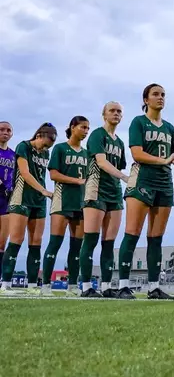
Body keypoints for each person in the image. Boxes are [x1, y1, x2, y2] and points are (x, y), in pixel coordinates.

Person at [117, 84, 174, 300]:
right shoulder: (138, 122)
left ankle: (154, 287)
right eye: (155, 94)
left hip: (164, 181)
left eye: (163, 94)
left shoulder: (169, 128)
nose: (160, 98)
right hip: (143, 179)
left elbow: (173, 156)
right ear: (145, 99)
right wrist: (163, 160)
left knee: (156, 237)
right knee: (132, 232)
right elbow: (137, 154)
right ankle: (123, 285)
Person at [0, 123, 56, 295]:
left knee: (36, 242)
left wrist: (43, 193)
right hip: (21, 197)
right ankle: (5, 284)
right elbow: (24, 173)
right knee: (16, 239)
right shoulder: (23, 146)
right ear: (39, 135)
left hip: (39, 201)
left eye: (49, 146)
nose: (45, 148)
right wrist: (43, 190)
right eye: (45, 143)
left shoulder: (45, 153)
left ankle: (32, 286)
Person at [79, 102, 128, 298]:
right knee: (90, 239)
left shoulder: (120, 142)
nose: (116, 114)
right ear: (104, 115)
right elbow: (101, 161)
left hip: (114, 192)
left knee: (109, 242)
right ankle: (85, 286)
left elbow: (121, 164)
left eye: (119, 112)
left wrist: (123, 178)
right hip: (96, 189)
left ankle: (107, 286)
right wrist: (124, 177)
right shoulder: (98, 135)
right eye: (112, 111)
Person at [41, 116, 89, 297]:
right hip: (62, 201)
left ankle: (72, 286)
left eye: (87, 128)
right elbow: (53, 174)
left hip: (80, 202)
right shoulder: (60, 148)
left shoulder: (86, 153)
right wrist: (76, 181)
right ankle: (45, 285)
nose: (85, 131)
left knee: (77, 246)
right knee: (55, 242)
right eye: (83, 127)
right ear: (72, 127)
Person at [0, 121, 15, 281]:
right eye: (2, 129)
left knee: (2, 243)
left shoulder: (12, 155)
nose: (5, 132)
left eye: (8, 130)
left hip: (6, 199)